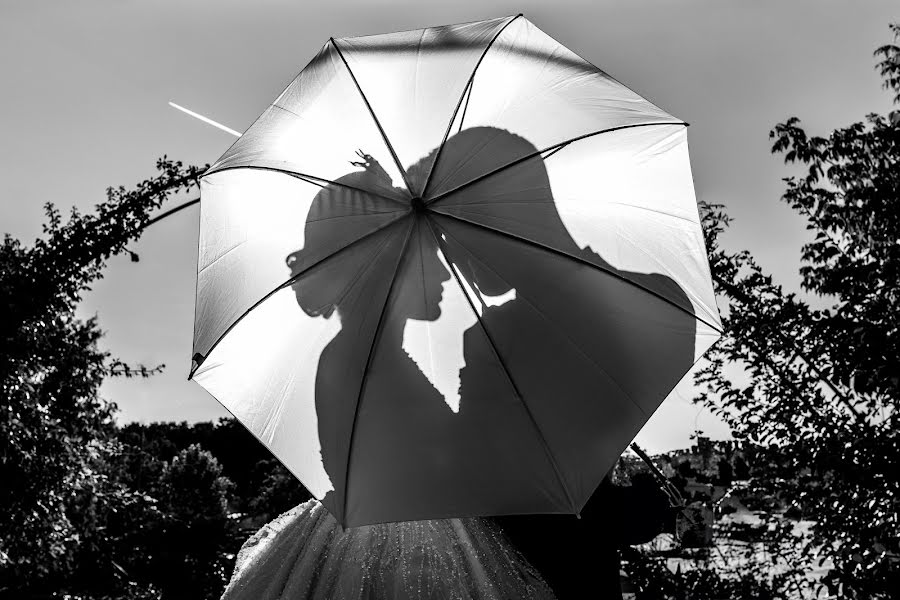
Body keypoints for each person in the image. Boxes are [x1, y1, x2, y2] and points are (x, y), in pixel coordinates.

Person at [229, 125, 695, 599]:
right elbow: (500, 498)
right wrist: (627, 512)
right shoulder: (487, 342)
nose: (447, 260)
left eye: (445, 235)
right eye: (432, 246)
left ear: (495, 217)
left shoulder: (650, 305)